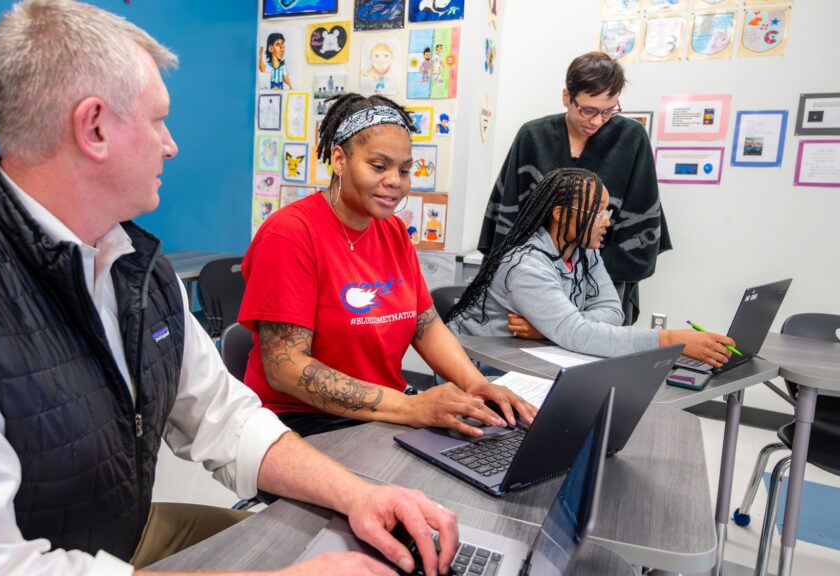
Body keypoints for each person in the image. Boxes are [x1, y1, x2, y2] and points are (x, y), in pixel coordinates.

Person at [0, 2, 459, 575]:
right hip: (40, 559)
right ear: (94, 127)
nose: (173, 145)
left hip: (119, 539)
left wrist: (361, 494)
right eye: (159, 121)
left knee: (347, 549)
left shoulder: (138, 268)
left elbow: (222, 418)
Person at [238, 93, 538, 439]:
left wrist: (476, 384)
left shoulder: (392, 230)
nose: (396, 181)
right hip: (302, 424)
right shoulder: (290, 234)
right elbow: (286, 368)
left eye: (405, 170)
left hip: (381, 413)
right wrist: (411, 407)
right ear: (339, 159)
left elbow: (424, 324)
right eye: (379, 166)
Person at [449, 168, 735, 367]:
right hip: (479, 364)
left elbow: (614, 311)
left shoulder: (585, 252)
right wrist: (671, 339)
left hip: (527, 354)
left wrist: (552, 330)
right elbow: (579, 334)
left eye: (606, 212)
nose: (606, 222)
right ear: (561, 215)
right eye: (597, 212)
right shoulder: (527, 266)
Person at [477, 51, 670, 325]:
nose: (597, 121)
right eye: (588, 110)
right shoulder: (533, 136)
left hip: (604, 279)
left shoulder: (631, 139)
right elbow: (510, 218)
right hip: (535, 279)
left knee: (593, 348)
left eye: (609, 110)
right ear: (567, 96)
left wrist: (588, 284)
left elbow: (639, 218)